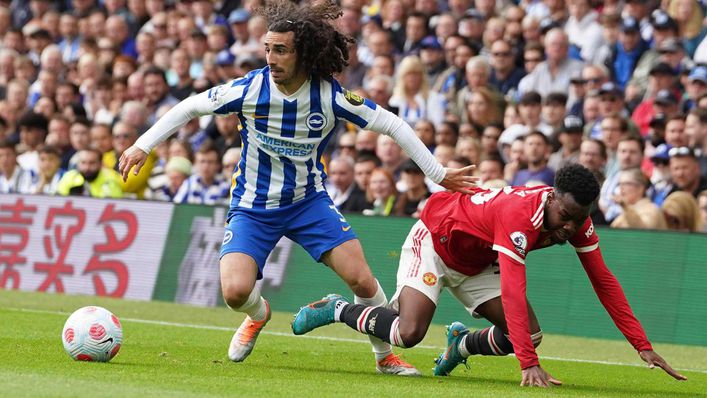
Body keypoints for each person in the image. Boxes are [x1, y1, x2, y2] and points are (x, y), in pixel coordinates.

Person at [118, 0, 475, 375]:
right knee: (235, 293)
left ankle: (384, 356)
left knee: (362, 278)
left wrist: (437, 172)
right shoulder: (250, 89)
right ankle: (259, 314)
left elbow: (392, 125)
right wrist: (143, 144)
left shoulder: (330, 96)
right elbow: (190, 107)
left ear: (302, 53)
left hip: (309, 203)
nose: (271, 58)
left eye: (281, 50)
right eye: (267, 49)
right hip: (253, 206)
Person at [292, 164, 686, 386]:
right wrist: (527, 364)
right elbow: (514, 287)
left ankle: (459, 346)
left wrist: (641, 344)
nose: (569, 227)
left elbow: (604, 281)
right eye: (565, 216)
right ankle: (337, 308)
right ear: (552, 197)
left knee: (528, 334)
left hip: (478, 260)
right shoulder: (521, 216)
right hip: (434, 242)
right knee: (409, 334)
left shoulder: (576, 221)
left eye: (579, 219)